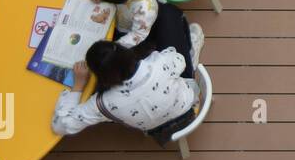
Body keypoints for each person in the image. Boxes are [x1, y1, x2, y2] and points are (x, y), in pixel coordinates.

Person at [51, 34, 203, 143]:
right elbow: (180, 60)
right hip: (188, 103)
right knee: (171, 24)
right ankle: (192, 50)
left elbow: (61, 126)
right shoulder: (157, 64)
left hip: (156, 129)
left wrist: (78, 86)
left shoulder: (102, 104)